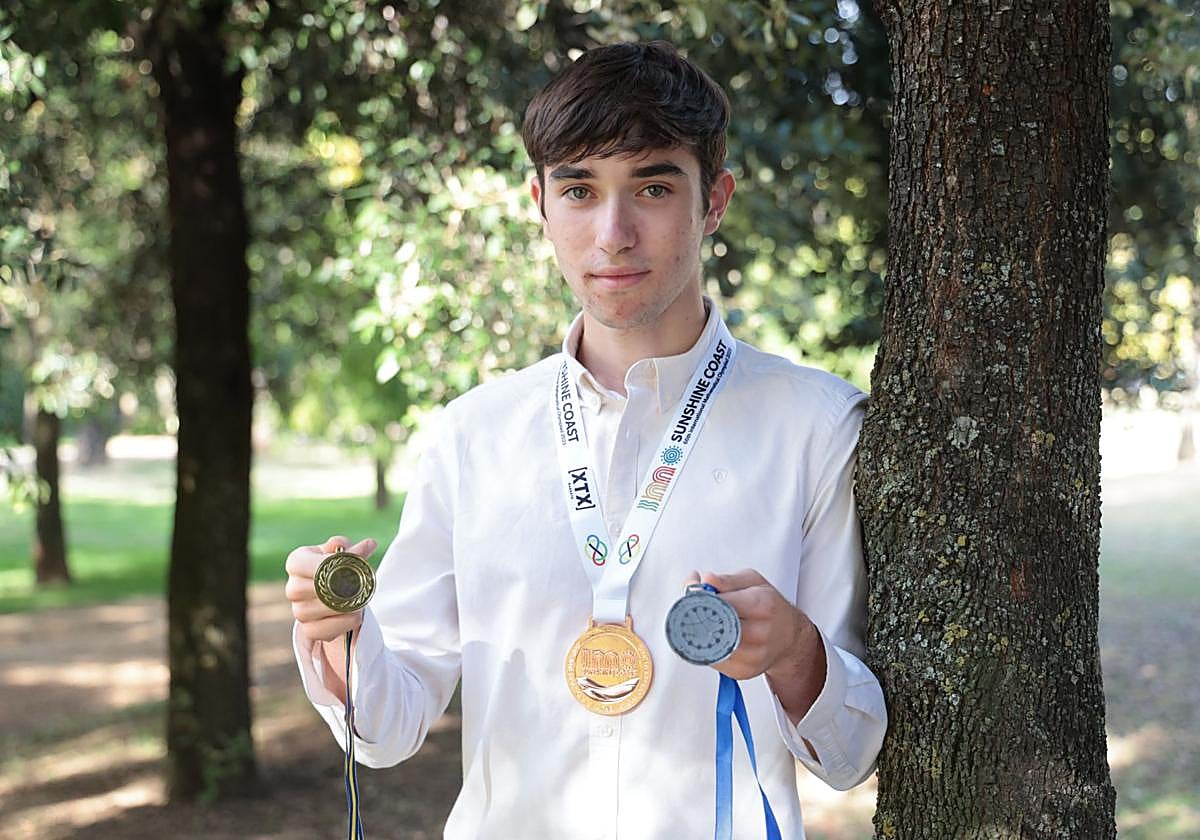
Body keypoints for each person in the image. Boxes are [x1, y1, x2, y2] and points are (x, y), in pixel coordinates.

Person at [285, 40, 886, 839]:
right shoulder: (473, 435)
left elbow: (846, 758)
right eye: (579, 189)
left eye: (654, 186)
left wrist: (796, 652)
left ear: (714, 202)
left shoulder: (818, 426)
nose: (613, 232)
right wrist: (338, 638)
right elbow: (387, 730)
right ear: (540, 204)